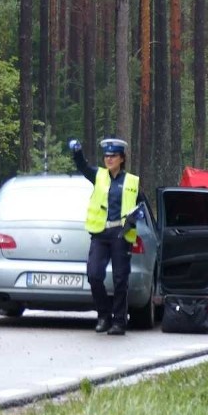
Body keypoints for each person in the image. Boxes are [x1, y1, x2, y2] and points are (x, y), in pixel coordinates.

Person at [72, 137, 143, 336]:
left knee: (121, 279)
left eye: (113, 156)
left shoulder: (132, 181)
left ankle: (119, 321)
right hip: (101, 233)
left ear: (122, 158)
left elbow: (141, 204)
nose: (109, 159)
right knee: (94, 275)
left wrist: (138, 215)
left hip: (121, 234)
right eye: (106, 156)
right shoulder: (98, 175)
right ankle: (104, 315)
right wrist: (77, 152)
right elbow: (83, 167)